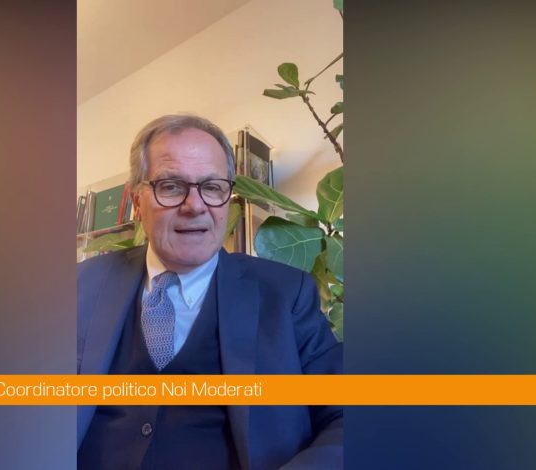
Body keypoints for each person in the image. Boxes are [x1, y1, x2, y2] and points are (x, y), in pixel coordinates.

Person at [77, 114, 342, 470]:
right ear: (137, 202)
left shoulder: (286, 294)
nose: (195, 205)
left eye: (213, 187)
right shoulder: (81, 286)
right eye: (171, 186)